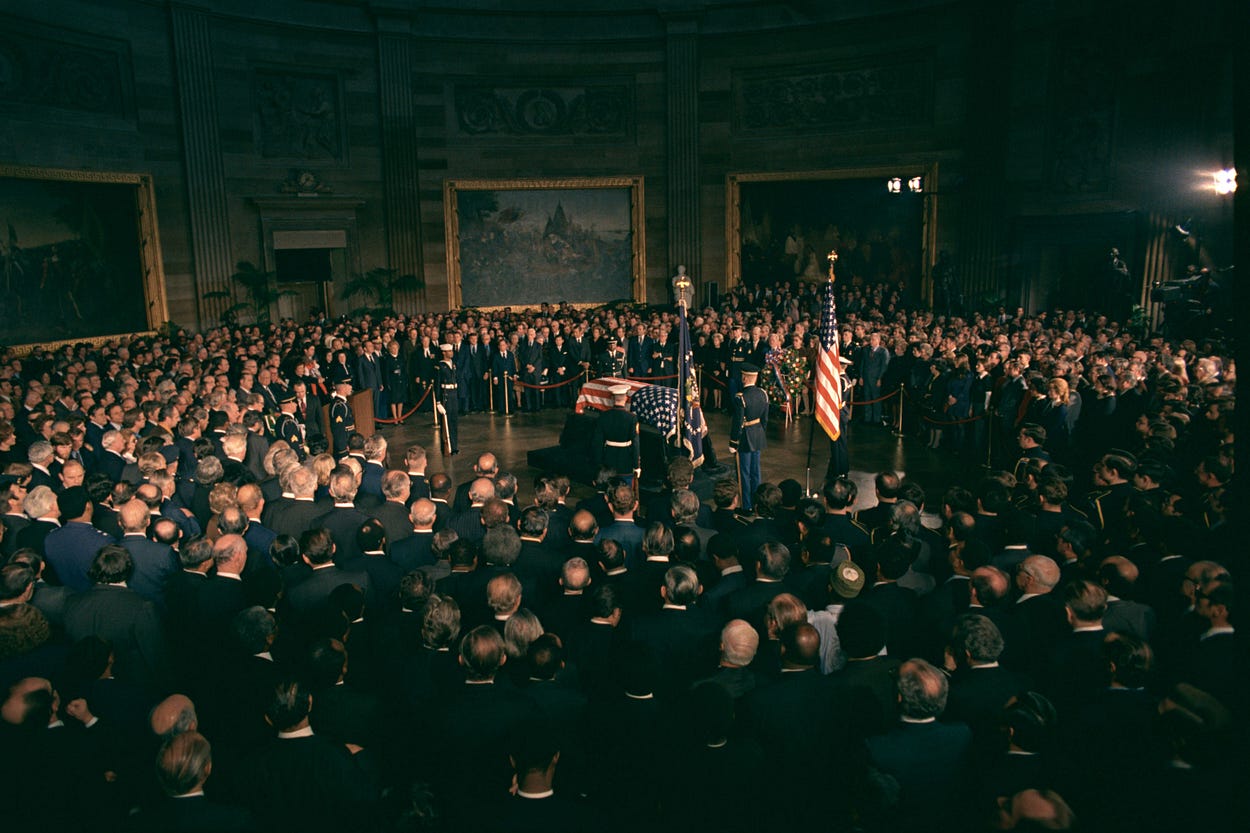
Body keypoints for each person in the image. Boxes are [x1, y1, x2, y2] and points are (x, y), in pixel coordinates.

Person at [729, 363, 768, 513]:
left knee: (744, 473)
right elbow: (764, 419)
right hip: (758, 435)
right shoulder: (763, 394)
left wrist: (733, 442)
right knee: (755, 471)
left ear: (744, 378)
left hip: (745, 438)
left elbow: (738, 422)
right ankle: (757, 503)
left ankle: (746, 506)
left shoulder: (741, 397)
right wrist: (759, 433)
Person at [592, 385, 639, 484]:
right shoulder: (631, 418)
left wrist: (598, 465)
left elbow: (597, 443)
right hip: (626, 461)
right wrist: (636, 466)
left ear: (612, 398)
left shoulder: (603, 416)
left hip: (608, 459)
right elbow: (635, 444)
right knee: (625, 489)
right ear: (626, 398)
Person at [435, 343, 460, 454]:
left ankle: (454, 446)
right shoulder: (439, 366)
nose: (451, 353)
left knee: (454, 421)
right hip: (445, 395)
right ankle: (446, 447)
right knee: (446, 422)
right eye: (449, 351)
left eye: (451, 351)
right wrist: (438, 402)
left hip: (453, 393)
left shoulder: (453, 364)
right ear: (443, 353)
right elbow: (437, 384)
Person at [381, 339, 408, 424]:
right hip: (393, 382)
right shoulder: (387, 359)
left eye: (396, 348)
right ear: (389, 348)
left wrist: (405, 380)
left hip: (401, 381)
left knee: (401, 400)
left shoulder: (401, 357)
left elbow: (404, 370)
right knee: (393, 400)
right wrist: (388, 383)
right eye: (393, 348)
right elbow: (386, 373)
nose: (395, 349)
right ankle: (395, 418)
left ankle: (400, 417)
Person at [328, 377, 354, 458]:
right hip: (344, 449)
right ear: (343, 387)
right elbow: (338, 430)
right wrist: (343, 451)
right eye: (349, 384)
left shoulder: (343, 403)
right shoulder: (339, 406)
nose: (351, 387)